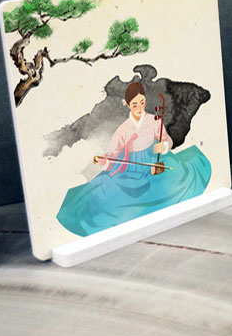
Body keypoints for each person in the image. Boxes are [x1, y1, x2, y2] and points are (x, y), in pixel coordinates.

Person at [57, 82, 211, 236]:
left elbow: (167, 140)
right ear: (128, 104)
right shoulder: (123, 129)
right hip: (130, 170)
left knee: (178, 179)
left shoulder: (154, 121)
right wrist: (106, 161)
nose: (139, 107)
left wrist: (164, 146)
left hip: (152, 162)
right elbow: (112, 153)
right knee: (108, 196)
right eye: (135, 104)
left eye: (142, 102)